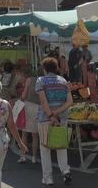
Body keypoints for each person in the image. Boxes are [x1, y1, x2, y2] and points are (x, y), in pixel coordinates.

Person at [36, 57, 73, 186]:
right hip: (61, 118)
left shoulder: (40, 81)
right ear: (56, 68)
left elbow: (43, 101)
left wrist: (51, 115)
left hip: (45, 118)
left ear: (45, 69)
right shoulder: (63, 81)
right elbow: (70, 102)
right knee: (61, 145)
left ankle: (48, 177)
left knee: (45, 148)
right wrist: (57, 114)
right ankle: (65, 171)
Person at [18, 67, 41, 164]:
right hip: (38, 108)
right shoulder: (41, 81)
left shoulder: (29, 80)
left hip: (28, 106)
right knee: (35, 135)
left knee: (25, 133)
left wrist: (21, 98)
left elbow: (23, 95)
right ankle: (34, 157)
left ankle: (23, 156)